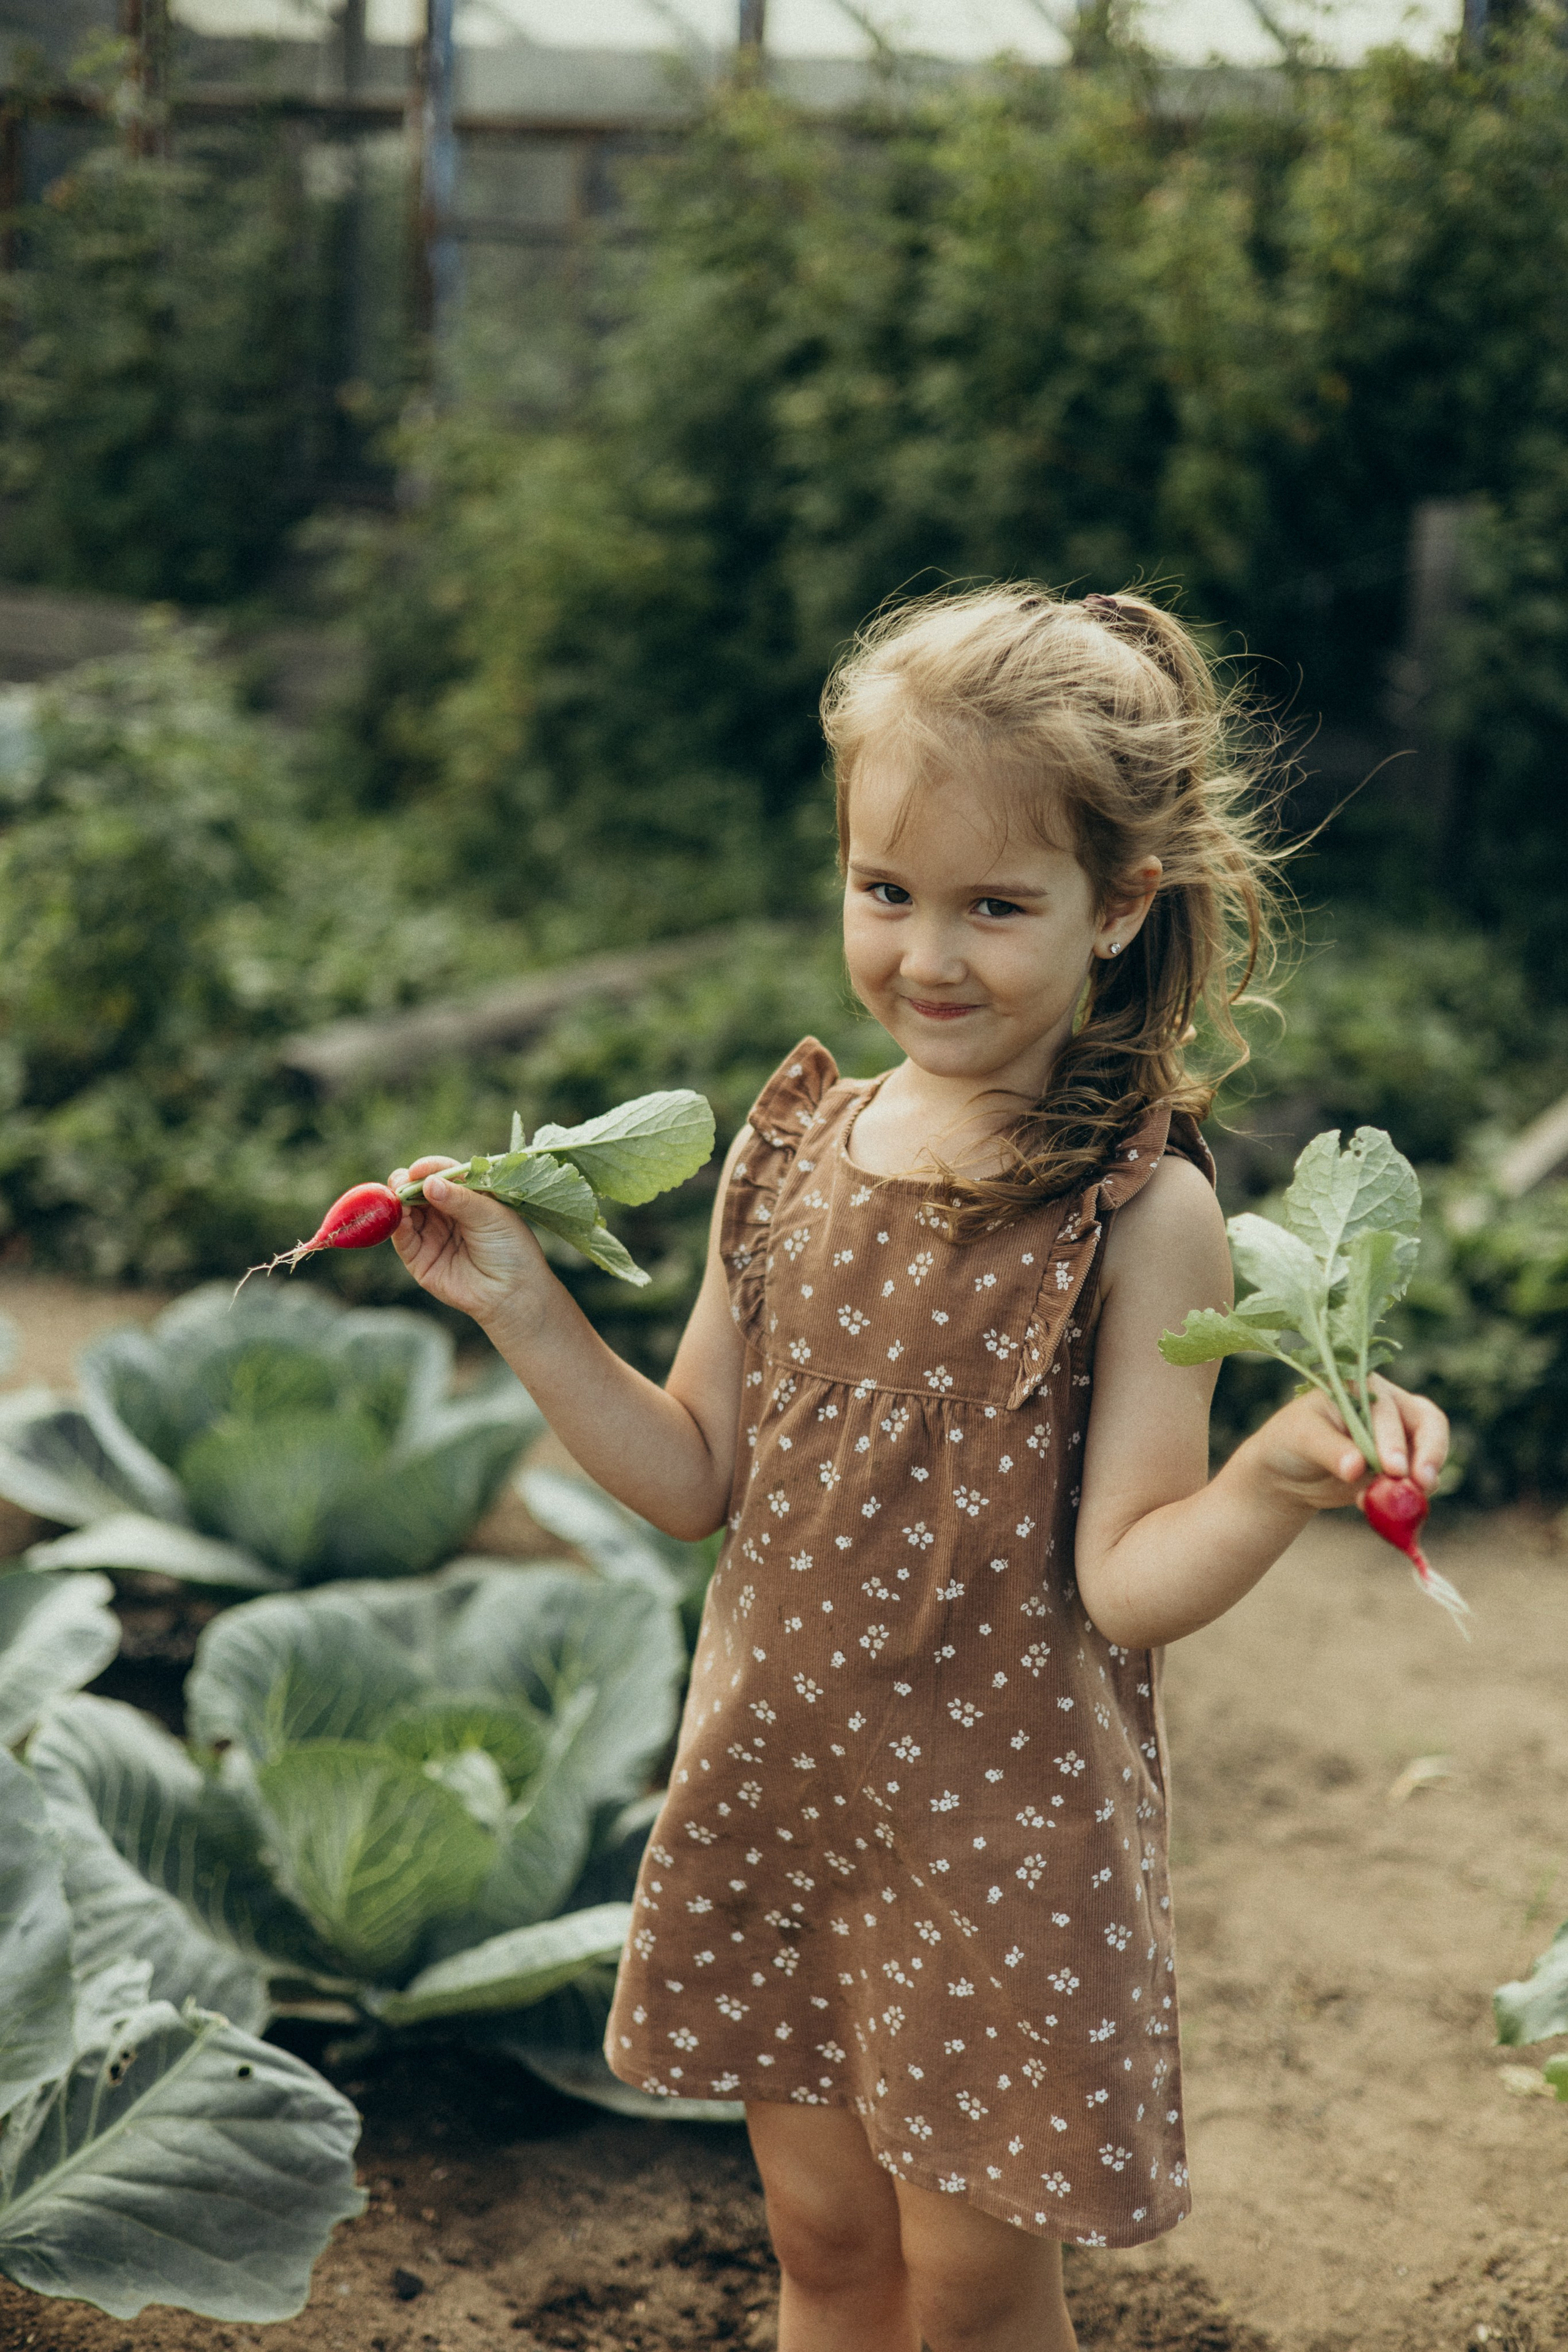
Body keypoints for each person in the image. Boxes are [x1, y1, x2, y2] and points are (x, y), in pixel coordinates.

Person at [389, 585, 1449, 2352]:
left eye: (995, 906)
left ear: (1121, 908)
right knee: (823, 2250)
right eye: (886, 892)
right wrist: (522, 1301)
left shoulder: (1142, 1209)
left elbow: (1126, 1582)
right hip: (786, 1789)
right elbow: (688, 1474)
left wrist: (1274, 1478)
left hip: (1000, 1844)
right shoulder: (793, 1145)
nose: (928, 956)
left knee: (966, 2295)